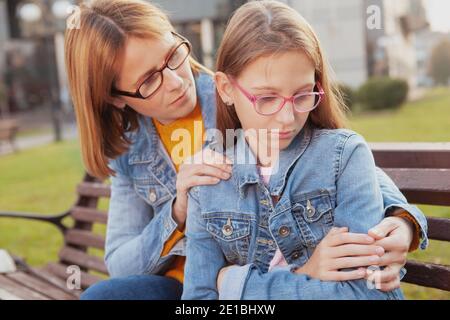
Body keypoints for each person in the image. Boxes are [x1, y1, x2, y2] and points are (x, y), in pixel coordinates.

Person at [64, 0, 427, 300]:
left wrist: (403, 219)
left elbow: (340, 161)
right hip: (187, 283)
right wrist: (178, 210)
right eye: (149, 81)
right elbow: (123, 262)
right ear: (114, 97)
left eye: (173, 55)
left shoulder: (242, 97)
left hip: (253, 279)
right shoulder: (131, 148)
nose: (176, 81)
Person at [182, 0, 427, 300]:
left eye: (302, 95)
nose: (287, 118)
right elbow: (197, 300)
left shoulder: (343, 156)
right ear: (225, 88)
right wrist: (304, 273)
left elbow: (367, 293)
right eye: (267, 98)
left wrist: (236, 286)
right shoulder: (208, 179)